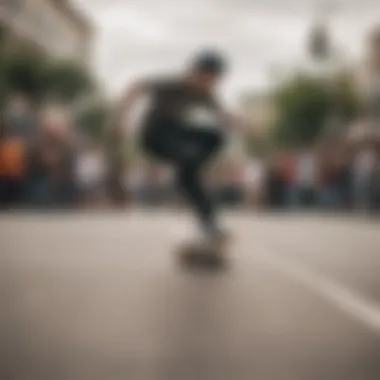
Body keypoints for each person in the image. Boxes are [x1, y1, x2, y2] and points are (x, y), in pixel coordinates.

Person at [112, 50, 242, 242]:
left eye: (212, 81)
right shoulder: (173, 84)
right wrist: (121, 118)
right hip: (155, 137)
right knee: (190, 144)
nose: (206, 85)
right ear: (195, 72)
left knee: (213, 137)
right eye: (204, 78)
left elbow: (221, 115)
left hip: (179, 138)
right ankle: (188, 166)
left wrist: (239, 123)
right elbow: (136, 86)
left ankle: (209, 221)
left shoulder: (206, 95)